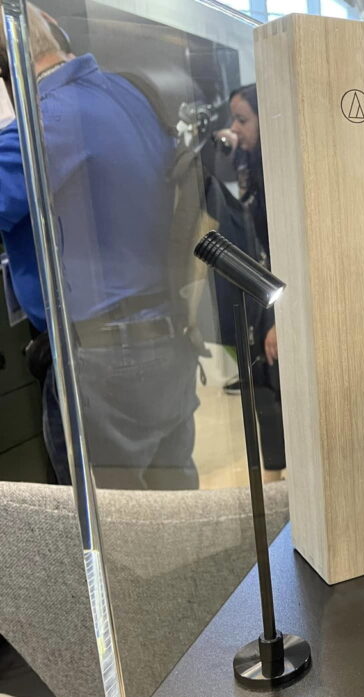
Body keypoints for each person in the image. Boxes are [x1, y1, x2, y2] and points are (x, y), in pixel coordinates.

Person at [0, 5, 199, 489]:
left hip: (103, 367)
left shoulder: (42, 122)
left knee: (108, 523)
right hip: (168, 343)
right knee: (176, 513)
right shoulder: (131, 94)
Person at [215, 84, 286, 477]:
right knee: (264, 387)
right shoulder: (252, 166)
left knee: (277, 390)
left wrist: (279, 320)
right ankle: (274, 478)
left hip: (279, 299)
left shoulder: (278, 174)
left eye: (242, 120)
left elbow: (287, 252)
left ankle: (282, 480)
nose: (234, 128)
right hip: (263, 295)